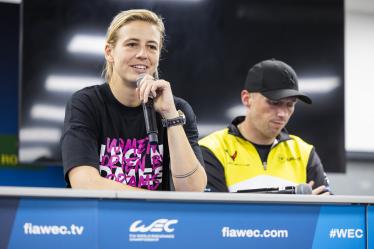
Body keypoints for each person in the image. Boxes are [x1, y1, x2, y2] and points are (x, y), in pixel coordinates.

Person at [61, 9, 207, 191]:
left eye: (152, 46)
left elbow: (193, 191)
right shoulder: (86, 103)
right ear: (109, 52)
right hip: (102, 218)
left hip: (157, 220)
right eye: (132, 44)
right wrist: (157, 202)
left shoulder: (178, 109)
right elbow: (85, 183)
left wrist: (170, 117)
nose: (142, 54)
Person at [199, 59, 330, 195]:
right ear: (246, 98)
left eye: (290, 104)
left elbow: (327, 212)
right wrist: (299, 207)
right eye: (274, 102)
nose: (282, 113)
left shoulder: (304, 152)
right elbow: (217, 212)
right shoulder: (211, 149)